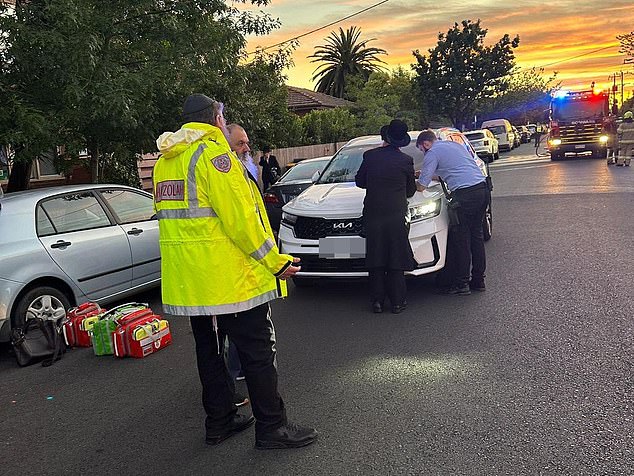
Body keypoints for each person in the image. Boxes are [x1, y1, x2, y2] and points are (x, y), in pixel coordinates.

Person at [153, 93, 317, 449]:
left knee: (210, 355)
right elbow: (241, 221)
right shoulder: (214, 157)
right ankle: (273, 428)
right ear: (216, 119)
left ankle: (220, 421)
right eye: (223, 118)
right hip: (230, 281)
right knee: (258, 354)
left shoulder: (167, 162)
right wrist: (276, 262)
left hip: (193, 283)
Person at [416, 129, 489, 295]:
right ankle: (478, 281)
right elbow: (451, 171)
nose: (423, 152)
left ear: (425, 144)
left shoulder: (432, 153)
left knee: (461, 238)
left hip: (465, 196)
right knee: (476, 236)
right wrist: (425, 174)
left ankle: (462, 283)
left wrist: (415, 179)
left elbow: (422, 186)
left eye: (421, 149)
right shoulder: (453, 145)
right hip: (482, 190)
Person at [355, 120, 417, 314]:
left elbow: (359, 182)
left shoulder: (370, 156)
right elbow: (410, 190)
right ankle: (398, 302)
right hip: (396, 214)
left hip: (373, 213)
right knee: (396, 257)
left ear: (385, 137)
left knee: (376, 256)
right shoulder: (405, 160)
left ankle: (377, 302)